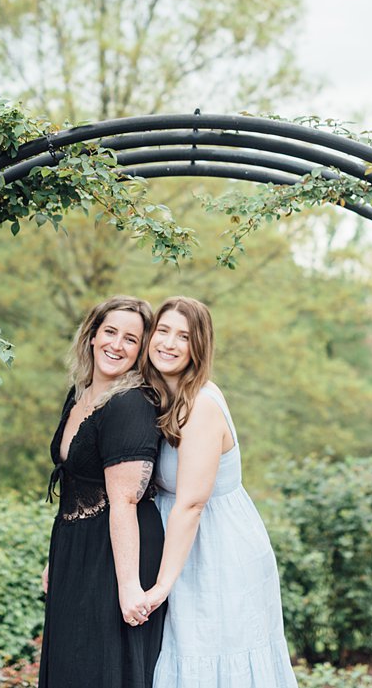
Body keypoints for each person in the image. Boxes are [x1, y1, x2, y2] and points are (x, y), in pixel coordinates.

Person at [139, 295, 298, 688]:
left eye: (184, 337)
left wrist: (161, 586)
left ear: (199, 347)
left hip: (213, 549)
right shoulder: (161, 396)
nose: (169, 344)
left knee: (208, 657)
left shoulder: (200, 405)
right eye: (163, 331)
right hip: (183, 542)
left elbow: (191, 504)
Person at [39, 295, 166, 688]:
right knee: (70, 663)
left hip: (116, 554)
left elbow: (125, 501)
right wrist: (56, 558)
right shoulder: (80, 394)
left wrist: (129, 587)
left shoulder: (132, 404)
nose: (117, 344)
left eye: (131, 339)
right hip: (75, 546)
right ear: (92, 336)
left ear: (141, 351)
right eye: (110, 332)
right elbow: (79, 485)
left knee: (100, 669)